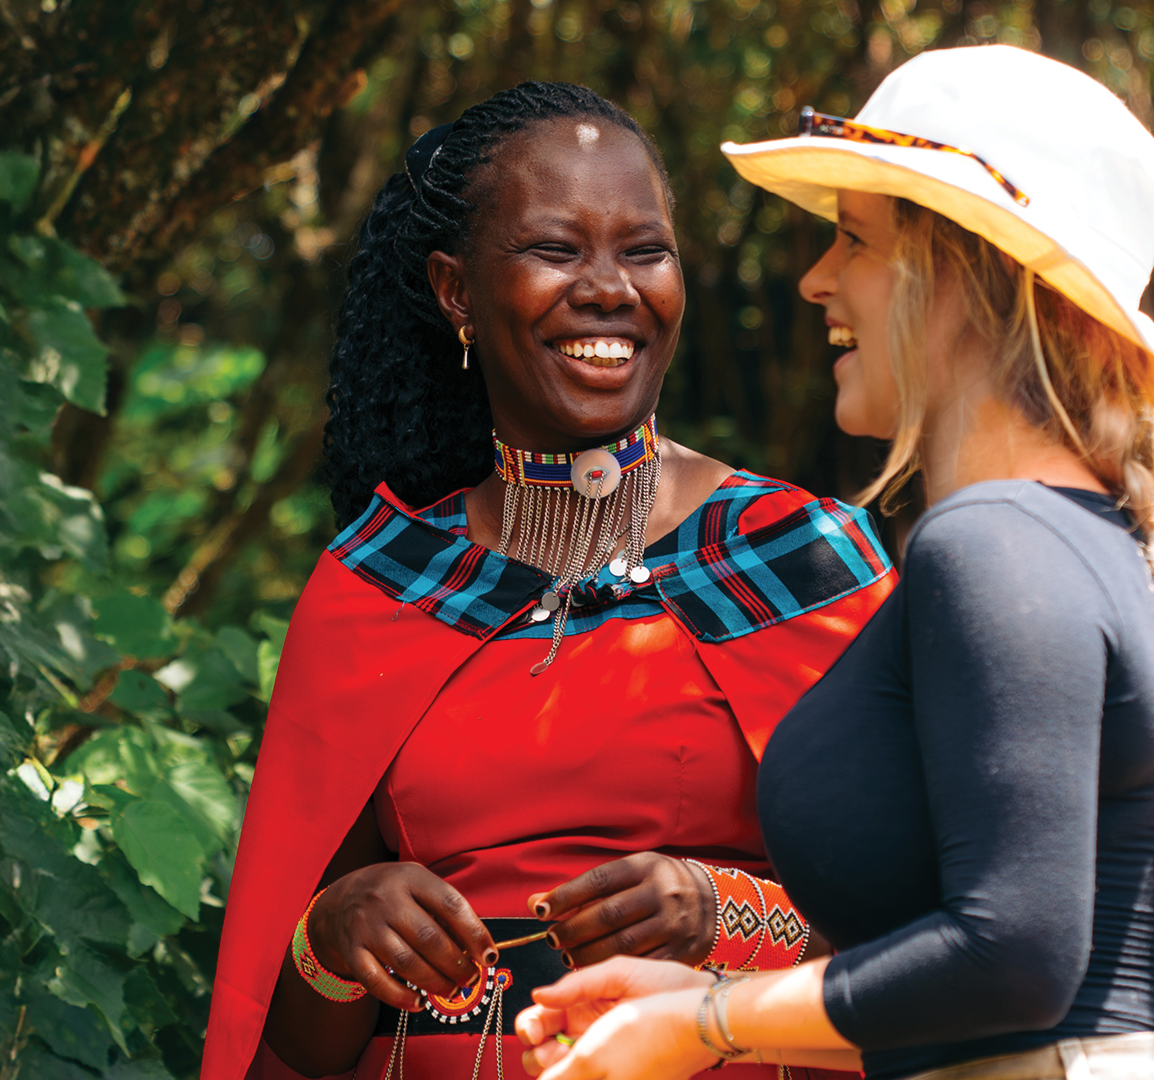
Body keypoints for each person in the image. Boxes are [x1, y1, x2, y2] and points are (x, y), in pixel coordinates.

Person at [200, 83, 896, 1080]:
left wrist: (730, 914)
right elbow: (296, 1047)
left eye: (644, 251)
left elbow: (939, 947)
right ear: (455, 291)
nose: (610, 288)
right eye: (555, 249)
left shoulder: (801, 561)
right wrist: (334, 933)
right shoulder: (380, 584)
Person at [514, 44, 1154, 1080]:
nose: (816, 278)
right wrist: (699, 1004)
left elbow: (1014, 959)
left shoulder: (995, 540)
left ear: (963, 274)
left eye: (854, 239)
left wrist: (704, 1023)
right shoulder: (1074, 535)